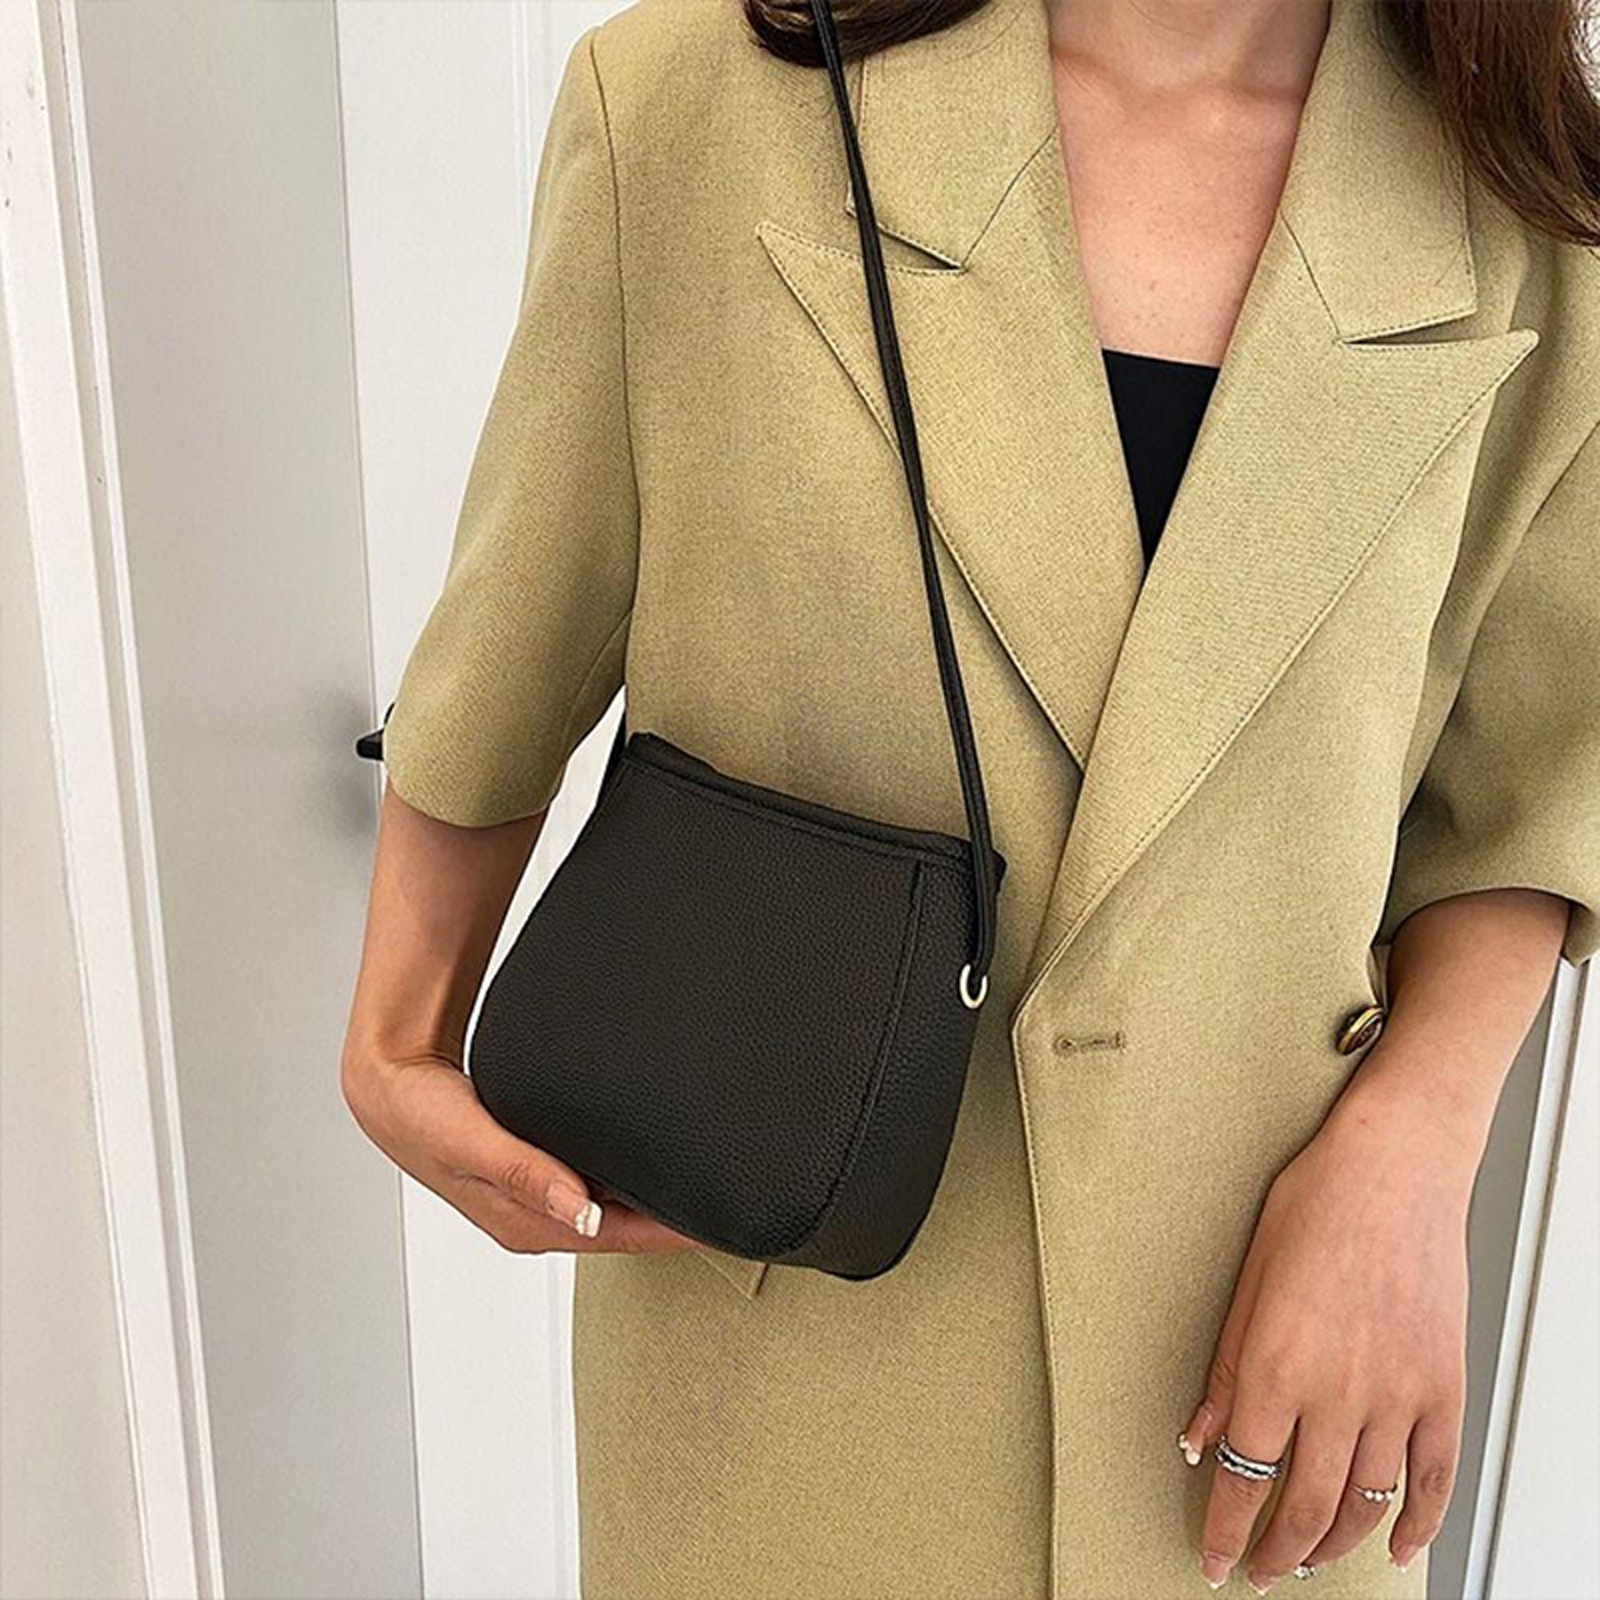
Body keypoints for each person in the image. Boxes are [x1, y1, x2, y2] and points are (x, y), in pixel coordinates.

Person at [342, 0, 1600, 1594]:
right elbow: (519, 630)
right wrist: (395, 1036)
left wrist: (1412, 1165)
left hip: (1279, 1368)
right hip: (785, 1368)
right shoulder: (691, 103)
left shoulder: (1532, 212)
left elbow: (1530, 785)